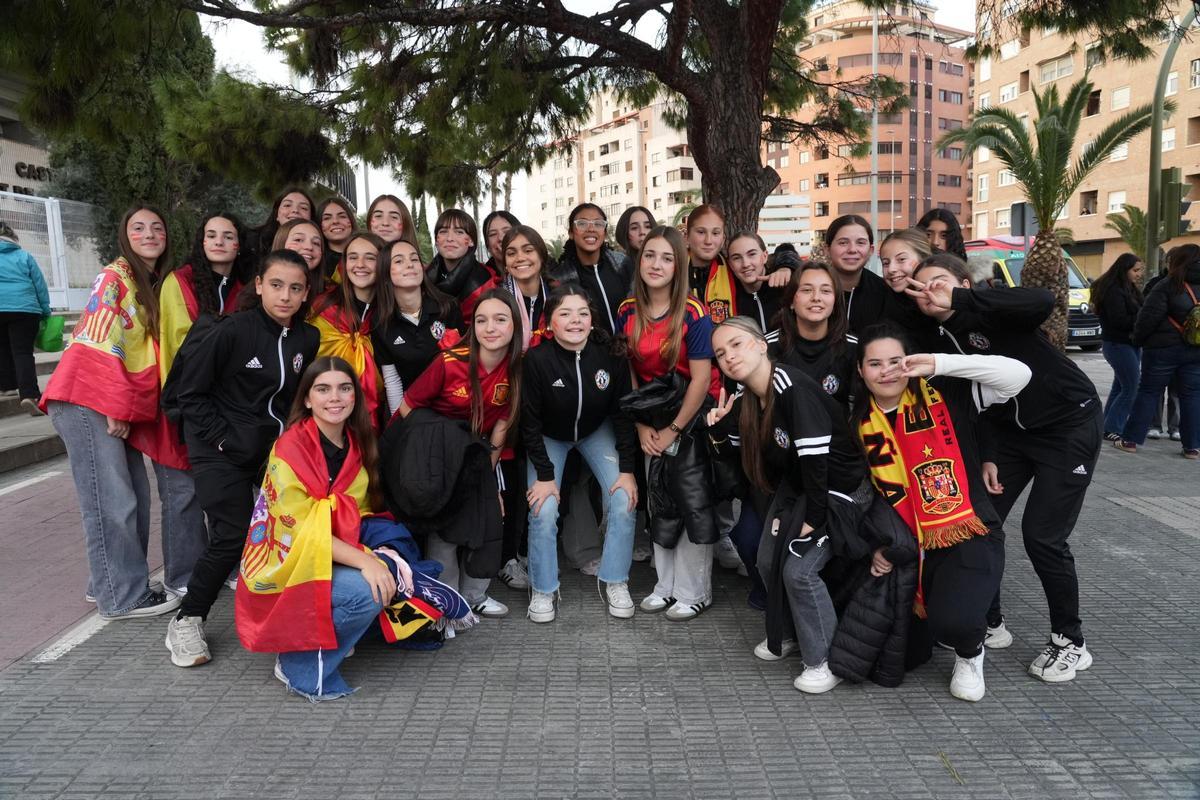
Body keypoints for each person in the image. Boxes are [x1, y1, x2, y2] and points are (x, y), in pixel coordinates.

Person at [908, 252, 1102, 683]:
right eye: (921, 288)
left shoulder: (993, 310)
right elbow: (979, 405)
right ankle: (989, 620)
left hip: (1069, 424)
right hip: (1012, 435)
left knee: (1043, 536)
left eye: (938, 282)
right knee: (980, 519)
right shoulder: (934, 337)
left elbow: (1039, 301)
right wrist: (991, 454)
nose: (930, 292)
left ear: (961, 281)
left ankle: (1070, 641)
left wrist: (963, 297)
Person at [853, 322, 1031, 701]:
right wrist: (874, 545)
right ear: (860, 370)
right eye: (874, 363)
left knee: (955, 624)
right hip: (905, 543)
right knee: (906, 655)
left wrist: (939, 363)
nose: (886, 371)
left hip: (969, 530)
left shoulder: (946, 394)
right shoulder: (857, 422)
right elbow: (857, 496)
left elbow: (1019, 375)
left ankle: (970, 653)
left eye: (895, 361)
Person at [164, 250, 320, 667]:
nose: (284, 295)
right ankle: (187, 619)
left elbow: (294, 401)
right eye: (276, 285)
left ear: (306, 294)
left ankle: (286, 613)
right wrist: (221, 443)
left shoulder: (308, 338)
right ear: (258, 286)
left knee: (293, 528)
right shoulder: (231, 331)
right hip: (221, 452)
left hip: (271, 452)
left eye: (295, 288)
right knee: (232, 536)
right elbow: (189, 394)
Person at [43, 207, 200, 618]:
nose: (149, 234)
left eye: (157, 227)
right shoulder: (114, 277)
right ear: (123, 235)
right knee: (110, 501)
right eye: (138, 227)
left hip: (108, 401)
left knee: (130, 497)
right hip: (89, 398)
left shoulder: (146, 282)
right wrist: (113, 402)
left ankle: (106, 583)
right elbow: (99, 338)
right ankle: (122, 597)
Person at [707, 317, 870, 694]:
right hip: (798, 488)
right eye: (720, 353)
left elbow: (817, 465)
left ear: (762, 345)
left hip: (839, 490)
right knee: (766, 559)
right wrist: (717, 429)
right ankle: (792, 635)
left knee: (799, 570)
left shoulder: (791, 387)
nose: (729, 356)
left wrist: (813, 521)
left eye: (737, 344)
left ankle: (825, 660)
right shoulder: (747, 400)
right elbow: (738, 465)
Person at [236, 357, 406, 700]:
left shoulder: (359, 445)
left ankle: (325, 638)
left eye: (345, 388)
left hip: (331, 551)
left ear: (355, 397)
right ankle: (296, 663)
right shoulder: (289, 449)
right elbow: (297, 530)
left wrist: (383, 555)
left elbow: (361, 513)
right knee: (366, 592)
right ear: (308, 399)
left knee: (393, 572)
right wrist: (365, 562)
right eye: (323, 389)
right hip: (286, 562)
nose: (335, 398)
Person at [395, 288, 522, 618]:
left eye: (499, 319)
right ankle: (447, 601)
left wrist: (486, 477)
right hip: (432, 456)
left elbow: (500, 428)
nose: (490, 328)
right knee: (445, 528)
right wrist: (435, 453)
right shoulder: (450, 362)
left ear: (515, 325)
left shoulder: (517, 370)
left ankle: (475, 594)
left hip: (476, 457)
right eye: (481, 320)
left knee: (486, 518)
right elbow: (408, 408)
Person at [615, 225, 721, 620]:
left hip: (689, 416)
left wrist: (674, 429)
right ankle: (666, 585)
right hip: (650, 418)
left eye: (667, 257)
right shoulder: (627, 310)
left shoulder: (693, 312)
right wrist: (643, 426)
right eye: (649, 256)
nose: (656, 264)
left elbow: (700, 379)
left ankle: (695, 590)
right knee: (659, 499)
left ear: (679, 265)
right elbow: (628, 373)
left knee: (690, 500)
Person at [522, 284, 638, 622]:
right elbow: (528, 423)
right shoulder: (537, 360)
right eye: (565, 314)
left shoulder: (610, 355)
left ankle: (615, 580)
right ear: (550, 324)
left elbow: (622, 414)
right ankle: (544, 589)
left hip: (595, 430)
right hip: (549, 435)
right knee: (542, 508)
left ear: (592, 320)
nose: (575, 321)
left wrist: (628, 470)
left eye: (583, 314)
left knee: (623, 498)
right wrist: (544, 476)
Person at [1117, 244, 1200, 459]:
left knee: (1149, 392)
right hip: (1195, 350)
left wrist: (1138, 339)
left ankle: (1130, 441)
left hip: (1163, 349)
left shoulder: (1168, 285)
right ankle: (1192, 447)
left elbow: (1148, 317)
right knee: (1191, 395)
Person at [371, 238, 463, 416]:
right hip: (413, 409)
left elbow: (464, 363)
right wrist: (401, 422)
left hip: (454, 406)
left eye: (414, 259)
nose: (410, 265)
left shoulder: (447, 307)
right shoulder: (381, 323)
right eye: (399, 261)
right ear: (385, 273)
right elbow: (392, 380)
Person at [309, 232, 385, 428]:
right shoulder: (322, 308)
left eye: (370, 258)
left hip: (376, 420)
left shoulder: (387, 313)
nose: (360, 264)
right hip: (325, 415)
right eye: (353, 257)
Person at [159, 213, 247, 377]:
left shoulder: (244, 292)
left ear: (239, 245)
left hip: (228, 393)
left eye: (228, 237)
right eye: (211, 235)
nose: (219, 242)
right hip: (184, 386)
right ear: (202, 243)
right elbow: (179, 342)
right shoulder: (179, 281)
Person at [770, 261, 855, 409]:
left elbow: (857, 410)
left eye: (826, 291)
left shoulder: (853, 348)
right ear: (791, 301)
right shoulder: (767, 347)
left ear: (835, 303)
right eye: (807, 290)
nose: (816, 297)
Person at [551, 203, 631, 336]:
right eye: (582, 223)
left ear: (604, 232)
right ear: (571, 232)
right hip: (591, 354)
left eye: (598, 224)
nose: (591, 229)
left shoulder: (622, 264)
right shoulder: (560, 278)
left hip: (629, 350)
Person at [1090, 253, 1145, 441]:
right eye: (1135, 270)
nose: (1139, 274)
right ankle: (1113, 427)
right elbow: (1119, 320)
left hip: (1130, 343)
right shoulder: (1113, 290)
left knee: (1121, 386)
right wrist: (1142, 318)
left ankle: (1108, 425)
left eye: (1140, 270)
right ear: (1124, 270)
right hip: (1118, 344)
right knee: (1131, 387)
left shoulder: (1129, 288)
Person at [0, 221, 51, 415]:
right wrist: (45, 309)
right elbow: (39, 284)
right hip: (25, 309)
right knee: (22, 353)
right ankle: (30, 395)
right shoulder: (23, 256)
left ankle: (6, 386)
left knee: (2, 348)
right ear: (12, 237)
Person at [826, 215, 890, 339]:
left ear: (871, 250)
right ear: (827, 250)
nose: (852, 249)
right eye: (843, 243)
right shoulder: (811, 288)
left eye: (860, 243)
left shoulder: (884, 291)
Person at [427, 209, 496, 319]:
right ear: (436, 241)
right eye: (443, 232)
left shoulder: (486, 282)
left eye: (459, 232)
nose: (450, 238)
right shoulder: (422, 277)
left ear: (471, 241)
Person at [499, 225, 552, 348]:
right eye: (511, 253)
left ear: (542, 256)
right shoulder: (497, 301)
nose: (520, 258)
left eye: (528, 251)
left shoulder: (559, 297)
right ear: (505, 263)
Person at [725, 231, 785, 335]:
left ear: (765, 256)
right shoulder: (729, 297)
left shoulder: (783, 286)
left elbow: (787, 251)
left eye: (752, 254)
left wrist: (787, 267)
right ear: (730, 264)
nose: (745, 264)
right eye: (736, 258)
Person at [249, 187, 315, 265]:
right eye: (287, 205)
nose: (295, 210)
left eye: (303, 208)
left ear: (311, 218)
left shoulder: (315, 250)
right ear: (277, 214)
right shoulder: (251, 241)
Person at [273, 218, 326, 294]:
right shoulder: (260, 289)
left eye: (316, 243)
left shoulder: (332, 292)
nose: (309, 247)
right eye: (298, 240)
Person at [317, 197, 357, 280]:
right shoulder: (315, 261)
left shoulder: (369, 254)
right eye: (327, 218)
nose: (335, 221)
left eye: (342, 216)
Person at [482, 210, 520, 281]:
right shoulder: (482, 281)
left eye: (506, 231)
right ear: (488, 245)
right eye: (493, 234)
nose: (500, 238)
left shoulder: (542, 269)